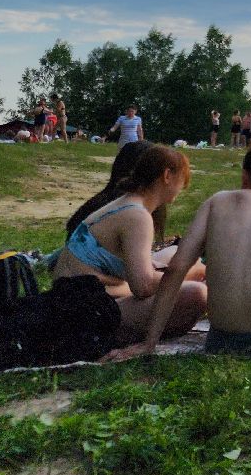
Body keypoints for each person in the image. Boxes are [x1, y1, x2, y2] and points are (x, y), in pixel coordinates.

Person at [108, 142, 251, 363]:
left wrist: (150, 342)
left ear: (244, 176)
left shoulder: (216, 202)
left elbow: (177, 268)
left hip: (226, 341)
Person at [53, 144, 207, 343]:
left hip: (77, 295)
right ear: (167, 175)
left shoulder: (127, 202)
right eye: (182, 179)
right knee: (197, 293)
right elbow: (142, 287)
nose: (183, 187)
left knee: (176, 254)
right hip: (85, 312)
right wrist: (185, 277)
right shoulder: (137, 216)